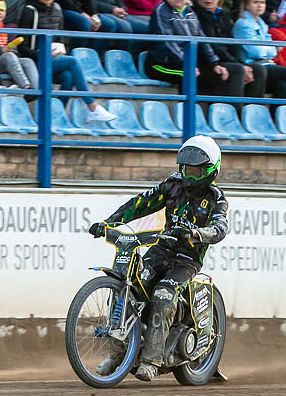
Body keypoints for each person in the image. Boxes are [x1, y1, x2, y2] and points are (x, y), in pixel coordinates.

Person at [89, 136, 231, 381]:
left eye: (197, 171)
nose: (190, 176)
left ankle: (150, 361)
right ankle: (116, 354)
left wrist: (199, 234)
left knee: (163, 295)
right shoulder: (171, 185)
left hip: (187, 260)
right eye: (186, 169)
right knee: (127, 286)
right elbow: (140, 204)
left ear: (211, 171)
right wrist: (109, 223)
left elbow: (220, 228)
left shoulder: (216, 198)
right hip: (161, 250)